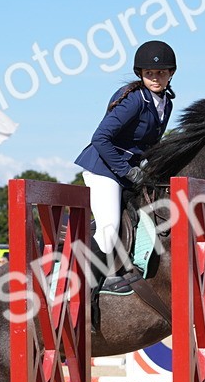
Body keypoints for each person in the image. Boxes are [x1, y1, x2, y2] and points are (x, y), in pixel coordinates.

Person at [74, 40, 176, 263]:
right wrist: (127, 171)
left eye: (161, 73)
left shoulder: (166, 103)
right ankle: (81, 281)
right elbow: (100, 138)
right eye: (149, 73)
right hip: (104, 170)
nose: (155, 78)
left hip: (130, 173)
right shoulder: (134, 100)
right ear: (141, 74)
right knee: (109, 232)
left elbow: (151, 146)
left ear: (171, 73)